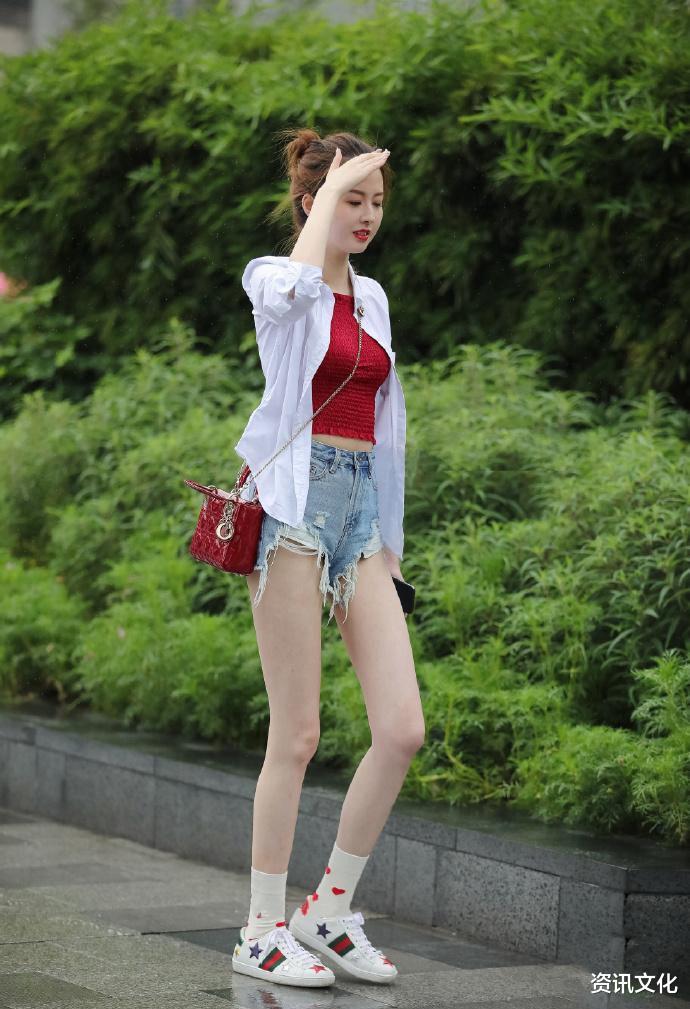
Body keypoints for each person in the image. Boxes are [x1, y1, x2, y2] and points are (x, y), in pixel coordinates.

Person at [231, 129, 425, 988]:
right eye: (352, 198)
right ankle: (260, 928)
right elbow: (291, 291)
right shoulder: (277, 282)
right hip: (292, 515)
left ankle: (329, 908)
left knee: (402, 728)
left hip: (360, 520)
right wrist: (329, 202)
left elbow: (387, 432)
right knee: (299, 732)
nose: (368, 215)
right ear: (312, 203)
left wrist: (390, 548)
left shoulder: (372, 297)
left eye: (377, 201)